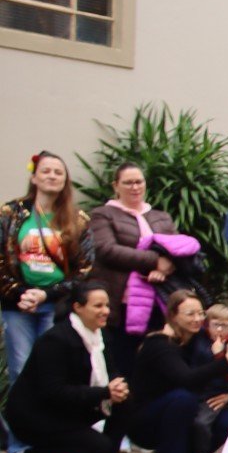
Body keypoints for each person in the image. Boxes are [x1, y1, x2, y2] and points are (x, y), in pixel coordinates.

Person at [4, 280, 140, 453]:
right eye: (98, 306)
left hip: (74, 404)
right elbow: (53, 392)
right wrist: (104, 392)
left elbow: (110, 369)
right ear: (78, 307)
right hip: (36, 415)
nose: (105, 311)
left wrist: (116, 385)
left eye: (106, 305)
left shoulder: (100, 334)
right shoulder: (56, 340)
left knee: (125, 399)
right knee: (97, 446)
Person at [2, 153, 91, 434]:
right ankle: (22, 447)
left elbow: (85, 269)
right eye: (46, 171)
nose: (52, 176)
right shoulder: (11, 213)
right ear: (34, 177)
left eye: (58, 172)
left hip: (57, 306)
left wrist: (46, 294)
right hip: (19, 307)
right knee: (21, 373)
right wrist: (21, 293)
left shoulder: (77, 220)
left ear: (65, 180)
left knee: (55, 377)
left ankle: (53, 444)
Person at [127, 291, 228, 453]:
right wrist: (226, 360)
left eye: (200, 313)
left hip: (190, 410)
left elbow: (221, 377)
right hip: (146, 420)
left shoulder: (201, 340)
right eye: (190, 314)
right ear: (173, 316)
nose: (197, 319)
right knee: (182, 399)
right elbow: (187, 378)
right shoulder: (159, 344)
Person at [84, 160, 182, 374]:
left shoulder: (160, 216)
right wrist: (154, 262)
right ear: (115, 186)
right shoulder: (103, 214)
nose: (135, 187)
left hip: (160, 299)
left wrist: (164, 269)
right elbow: (106, 250)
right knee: (125, 363)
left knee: (158, 362)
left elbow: (178, 249)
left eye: (139, 182)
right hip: (124, 303)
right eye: (128, 183)